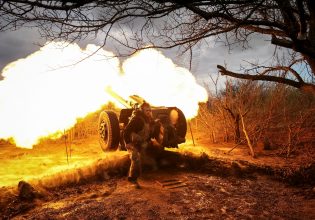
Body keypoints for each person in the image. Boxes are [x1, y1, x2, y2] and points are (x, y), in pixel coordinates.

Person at [123, 102, 160, 188]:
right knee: (136, 157)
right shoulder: (136, 119)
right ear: (142, 110)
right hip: (132, 143)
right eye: (147, 110)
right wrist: (127, 143)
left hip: (141, 142)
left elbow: (149, 128)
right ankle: (132, 179)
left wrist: (155, 123)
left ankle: (144, 171)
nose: (149, 112)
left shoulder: (149, 119)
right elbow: (126, 131)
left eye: (150, 110)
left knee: (149, 154)